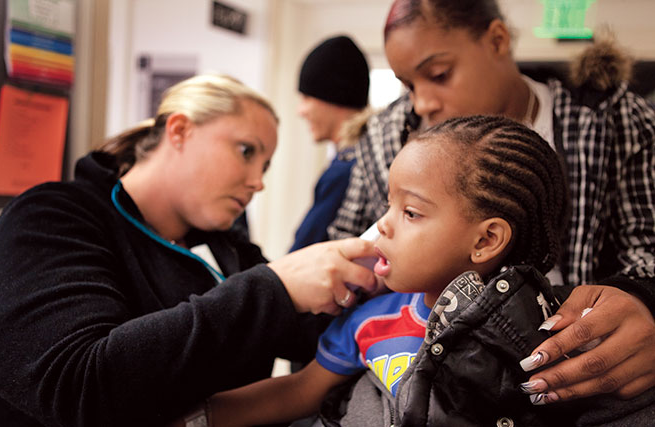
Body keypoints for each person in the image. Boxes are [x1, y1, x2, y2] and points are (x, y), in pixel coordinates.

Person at [199, 116, 654, 426]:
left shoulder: (558, 331)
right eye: (388, 205)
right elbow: (296, 392)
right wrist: (192, 416)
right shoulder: (370, 318)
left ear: (486, 240)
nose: (383, 225)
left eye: (411, 212)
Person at [0, 74, 379, 427]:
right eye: (246, 151)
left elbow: (308, 332)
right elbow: (80, 387)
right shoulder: (54, 215)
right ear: (179, 131)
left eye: (266, 165)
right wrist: (275, 288)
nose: (258, 182)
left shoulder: (228, 247)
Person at [328, 0, 655, 404]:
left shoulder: (608, 119)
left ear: (497, 39)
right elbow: (345, 255)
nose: (422, 103)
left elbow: (647, 249)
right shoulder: (387, 136)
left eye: (439, 74)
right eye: (408, 85)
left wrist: (643, 300)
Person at [290, 35, 371, 252]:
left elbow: (302, 251)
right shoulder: (370, 156)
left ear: (334, 98)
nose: (301, 110)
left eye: (307, 98)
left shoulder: (346, 169)